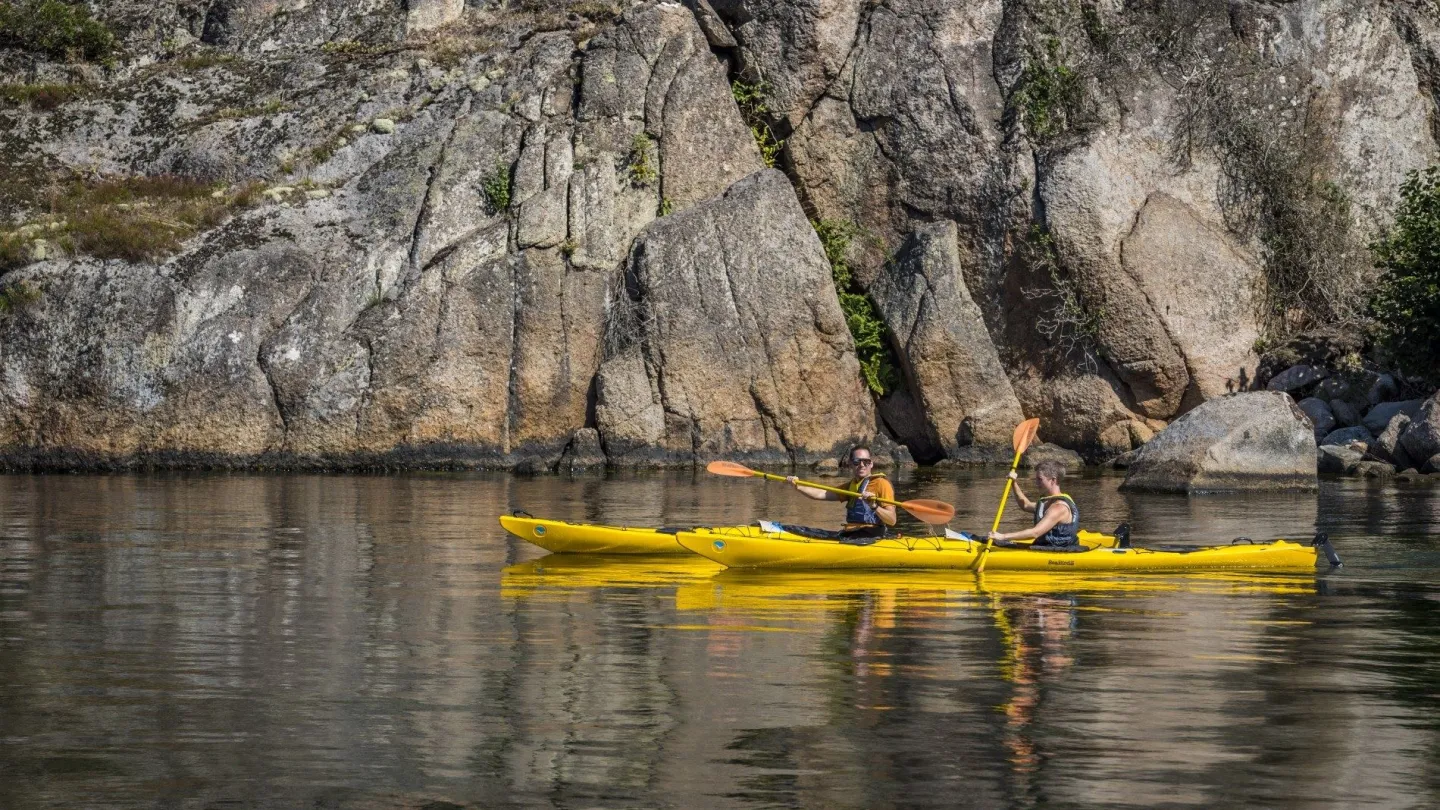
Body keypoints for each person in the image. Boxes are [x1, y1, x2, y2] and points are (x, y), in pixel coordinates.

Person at [784, 445, 897, 542]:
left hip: (872, 535)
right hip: (853, 534)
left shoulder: (882, 484)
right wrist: (797, 486)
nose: (862, 465)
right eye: (857, 462)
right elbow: (821, 494)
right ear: (850, 464)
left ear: (871, 464)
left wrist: (874, 506)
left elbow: (892, 520)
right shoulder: (851, 486)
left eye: (866, 461)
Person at [986, 460, 1079, 548]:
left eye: (1040, 479)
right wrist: (1013, 483)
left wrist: (1002, 536)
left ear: (1053, 480)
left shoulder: (1058, 508)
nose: (1036, 483)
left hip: (1058, 550)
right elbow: (1025, 505)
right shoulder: (1048, 502)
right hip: (1045, 546)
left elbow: (1035, 533)